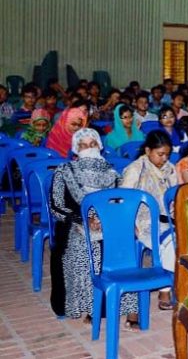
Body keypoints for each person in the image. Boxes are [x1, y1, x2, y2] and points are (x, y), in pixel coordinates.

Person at [49, 128, 140, 328]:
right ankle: (94, 307)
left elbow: (119, 204)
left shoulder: (112, 173)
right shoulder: (64, 171)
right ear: (75, 150)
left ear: (100, 146)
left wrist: (108, 220)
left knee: (123, 246)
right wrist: (83, 220)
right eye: (83, 146)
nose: (89, 149)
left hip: (109, 224)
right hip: (75, 226)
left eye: (92, 144)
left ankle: (129, 307)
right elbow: (56, 207)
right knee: (88, 247)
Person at [119, 130, 178, 310]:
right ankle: (165, 289)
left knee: (186, 236)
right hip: (144, 221)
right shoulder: (136, 170)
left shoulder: (170, 169)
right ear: (147, 151)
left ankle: (179, 281)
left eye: (167, 154)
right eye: (160, 154)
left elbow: (175, 193)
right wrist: (130, 224)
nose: (164, 159)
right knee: (172, 241)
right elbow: (124, 200)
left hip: (168, 218)